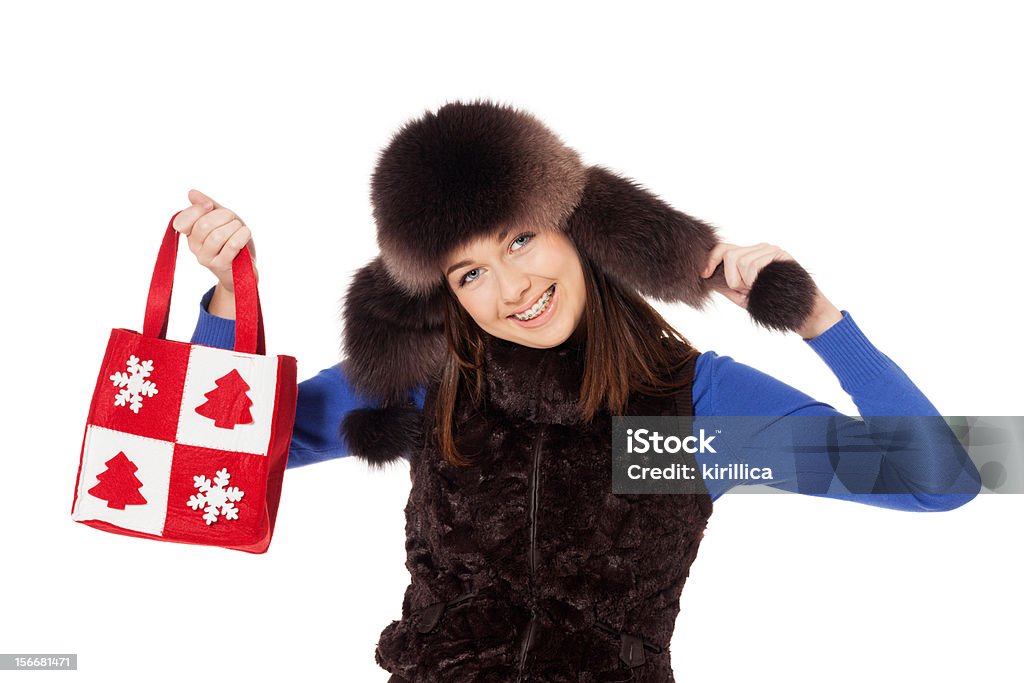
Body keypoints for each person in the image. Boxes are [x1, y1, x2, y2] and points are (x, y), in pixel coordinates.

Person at [178, 101, 981, 682]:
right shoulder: (432, 390)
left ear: (576, 224)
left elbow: (937, 480)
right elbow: (213, 471)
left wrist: (817, 319)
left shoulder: (683, 414)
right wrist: (226, 300)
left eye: (521, 238)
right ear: (446, 294)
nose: (513, 286)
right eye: (471, 272)